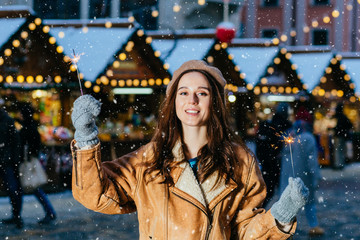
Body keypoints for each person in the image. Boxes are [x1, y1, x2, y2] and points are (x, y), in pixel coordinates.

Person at [71, 60, 309, 239]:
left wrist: (280, 216)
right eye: (183, 92)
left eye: (202, 93)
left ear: (214, 102)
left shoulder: (240, 160)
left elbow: (244, 231)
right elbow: (96, 195)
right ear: (174, 101)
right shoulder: (147, 158)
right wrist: (85, 138)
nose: (192, 100)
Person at [279, 120, 324, 236]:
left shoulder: (288, 136)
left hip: (288, 175)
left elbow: (282, 157)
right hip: (304, 176)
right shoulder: (308, 138)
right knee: (309, 202)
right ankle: (313, 226)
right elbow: (311, 159)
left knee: (288, 202)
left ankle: (284, 228)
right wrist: (316, 175)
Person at [18, 104, 57, 225]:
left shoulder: (25, 129)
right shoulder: (33, 128)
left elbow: (25, 146)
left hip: (28, 162)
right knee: (33, 188)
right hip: (31, 160)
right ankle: (49, 211)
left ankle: (49, 212)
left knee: (33, 188)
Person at [255, 102, 292, 207]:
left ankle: (259, 210)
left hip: (269, 160)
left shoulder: (269, 124)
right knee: (280, 189)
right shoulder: (285, 124)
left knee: (268, 189)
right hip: (277, 160)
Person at [0, 105, 23, 229]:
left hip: (6, 161)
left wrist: (14, 160)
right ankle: (16, 216)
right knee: (12, 188)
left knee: (13, 189)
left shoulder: (7, 120)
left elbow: (15, 141)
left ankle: (17, 216)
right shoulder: (7, 120)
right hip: (6, 159)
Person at [333, 103, 353, 169]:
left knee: (338, 150)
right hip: (343, 136)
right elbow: (350, 125)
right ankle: (341, 164)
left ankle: (338, 164)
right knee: (341, 150)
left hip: (339, 135)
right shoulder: (344, 116)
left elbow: (338, 127)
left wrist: (334, 129)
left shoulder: (339, 117)